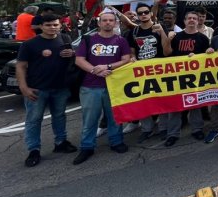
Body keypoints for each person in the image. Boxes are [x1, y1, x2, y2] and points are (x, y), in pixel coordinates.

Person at [16, 14, 78, 167]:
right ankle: (34, 150)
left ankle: (60, 142)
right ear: (41, 26)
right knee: (34, 120)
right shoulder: (29, 44)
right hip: (37, 88)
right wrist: (23, 87)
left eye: (56, 25)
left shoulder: (65, 39)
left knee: (59, 116)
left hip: (60, 87)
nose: (53, 27)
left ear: (60, 25)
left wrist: (73, 54)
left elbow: (72, 58)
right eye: (49, 25)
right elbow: (21, 66)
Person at [72, 10, 132, 164]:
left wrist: (108, 66)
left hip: (114, 86)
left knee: (114, 117)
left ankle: (116, 141)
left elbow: (126, 59)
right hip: (90, 86)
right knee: (90, 119)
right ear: (99, 23)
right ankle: (87, 147)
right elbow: (79, 60)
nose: (108, 23)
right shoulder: (88, 40)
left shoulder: (121, 41)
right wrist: (95, 70)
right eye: (104, 20)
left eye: (111, 20)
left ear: (115, 23)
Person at [164, 11, 211, 146]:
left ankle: (197, 129)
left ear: (198, 21)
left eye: (194, 18)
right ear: (184, 21)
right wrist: (168, 39)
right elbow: (167, 54)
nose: (191, 20)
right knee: (175, 105)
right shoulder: (176, 37)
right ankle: (173, 134)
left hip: (194, 77)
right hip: (177, 77)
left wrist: (200, 56)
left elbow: (207, 60)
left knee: (195, 104)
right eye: (189, 18)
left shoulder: (202, 38)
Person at [126, 3, 172, 142]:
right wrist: (132, 58)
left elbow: (168, 51)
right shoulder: (133, 33)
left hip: (160, 71)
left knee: (162, 100)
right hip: (142, 73)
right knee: (143, 102)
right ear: (137, 16)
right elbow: (132, 52)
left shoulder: (161, 27)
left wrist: (162, 33)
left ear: (151, 13)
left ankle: (163, 128)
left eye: (146, 12)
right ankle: (147, 129)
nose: (143, 15)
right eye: (140, 13)